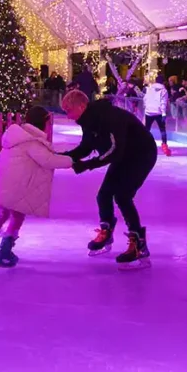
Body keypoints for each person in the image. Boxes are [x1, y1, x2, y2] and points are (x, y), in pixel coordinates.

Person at [60, 89, 157, 269]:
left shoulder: (107, 117)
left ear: (81, 106)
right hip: (124, 155)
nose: (67, 116)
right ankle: (106, 232)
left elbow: (114, 151)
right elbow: (86, 147)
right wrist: (61, 157)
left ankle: (139, 245)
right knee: (103, 195)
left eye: (68, 110)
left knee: (122, 196)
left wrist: (87, 165)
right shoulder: (87, 120)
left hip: (142, 154)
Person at [0, 106, 73, 267]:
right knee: (17, 216)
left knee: (3, 212)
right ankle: (5, 251)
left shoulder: (18, 136)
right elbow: (48, 161)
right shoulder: (31, 142)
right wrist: (73, 161)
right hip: (15, 187)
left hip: (1, 183)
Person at [143, 75, 171, 156]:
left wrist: (147, 107)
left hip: (149, 112)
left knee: (146, 130)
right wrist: (164, 113)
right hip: (158, 112)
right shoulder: (164, 90)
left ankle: (143, 145)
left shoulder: (149, 89)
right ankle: (165, 146)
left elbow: (145, 99)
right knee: (162, 130)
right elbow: (163, 102)